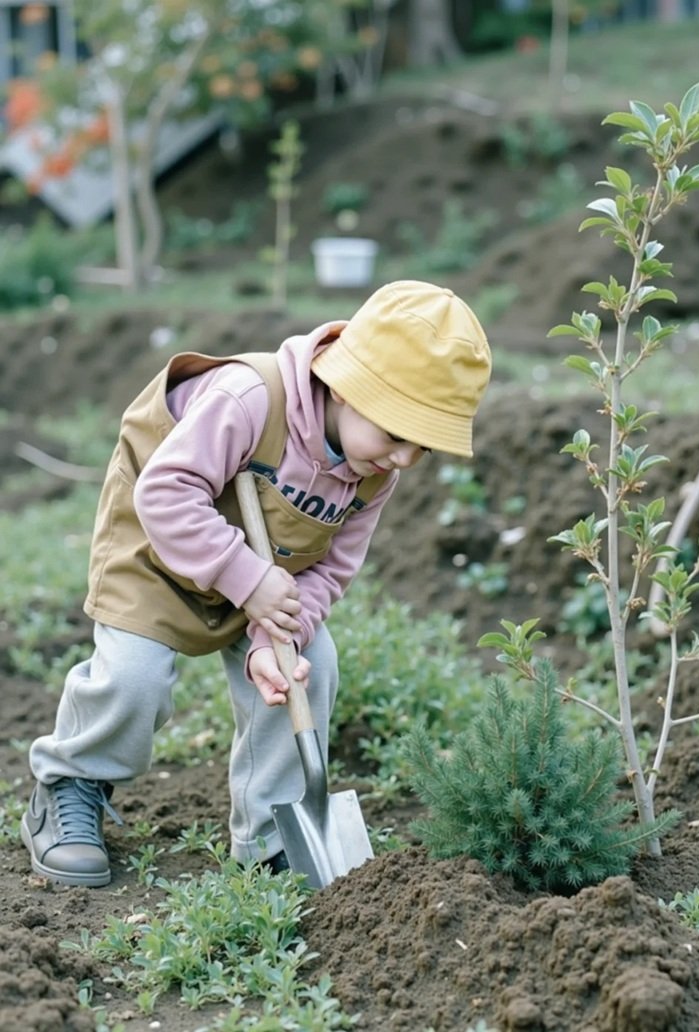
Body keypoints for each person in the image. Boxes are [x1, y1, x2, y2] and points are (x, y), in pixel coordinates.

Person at [20, 279, 492, 887]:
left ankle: (269, 833)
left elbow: (335, 565)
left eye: (422, 447)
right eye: (398, 435)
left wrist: (283, 628)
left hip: (268, 582)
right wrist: (247, 579)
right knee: (134, 677)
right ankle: (71, 782)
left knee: (307, 666)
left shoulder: (374, 473)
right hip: (159, 552)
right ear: (348, 387)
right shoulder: (248, 399)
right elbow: (164, 493)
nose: (404, 459)